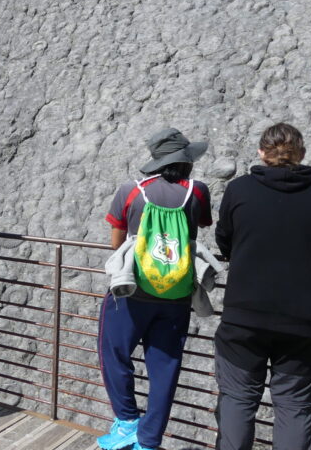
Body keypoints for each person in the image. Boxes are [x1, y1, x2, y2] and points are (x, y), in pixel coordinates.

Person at [214, 123, 311, 450]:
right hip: (303, 322)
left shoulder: (239, 190)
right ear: (303, 154)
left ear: (261, 153)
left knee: (238, 400)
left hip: (244, 317)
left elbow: (224, 239)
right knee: (295, 407)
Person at [97, 128, 212, 450]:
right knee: (165, 366)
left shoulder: (131, 191)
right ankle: (149, 440)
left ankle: (128, 421)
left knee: (113, 352)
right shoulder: (197, 191)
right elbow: (201, 225)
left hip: (133, 291)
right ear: (185, 161)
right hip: (176, 293)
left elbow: (116, 235)